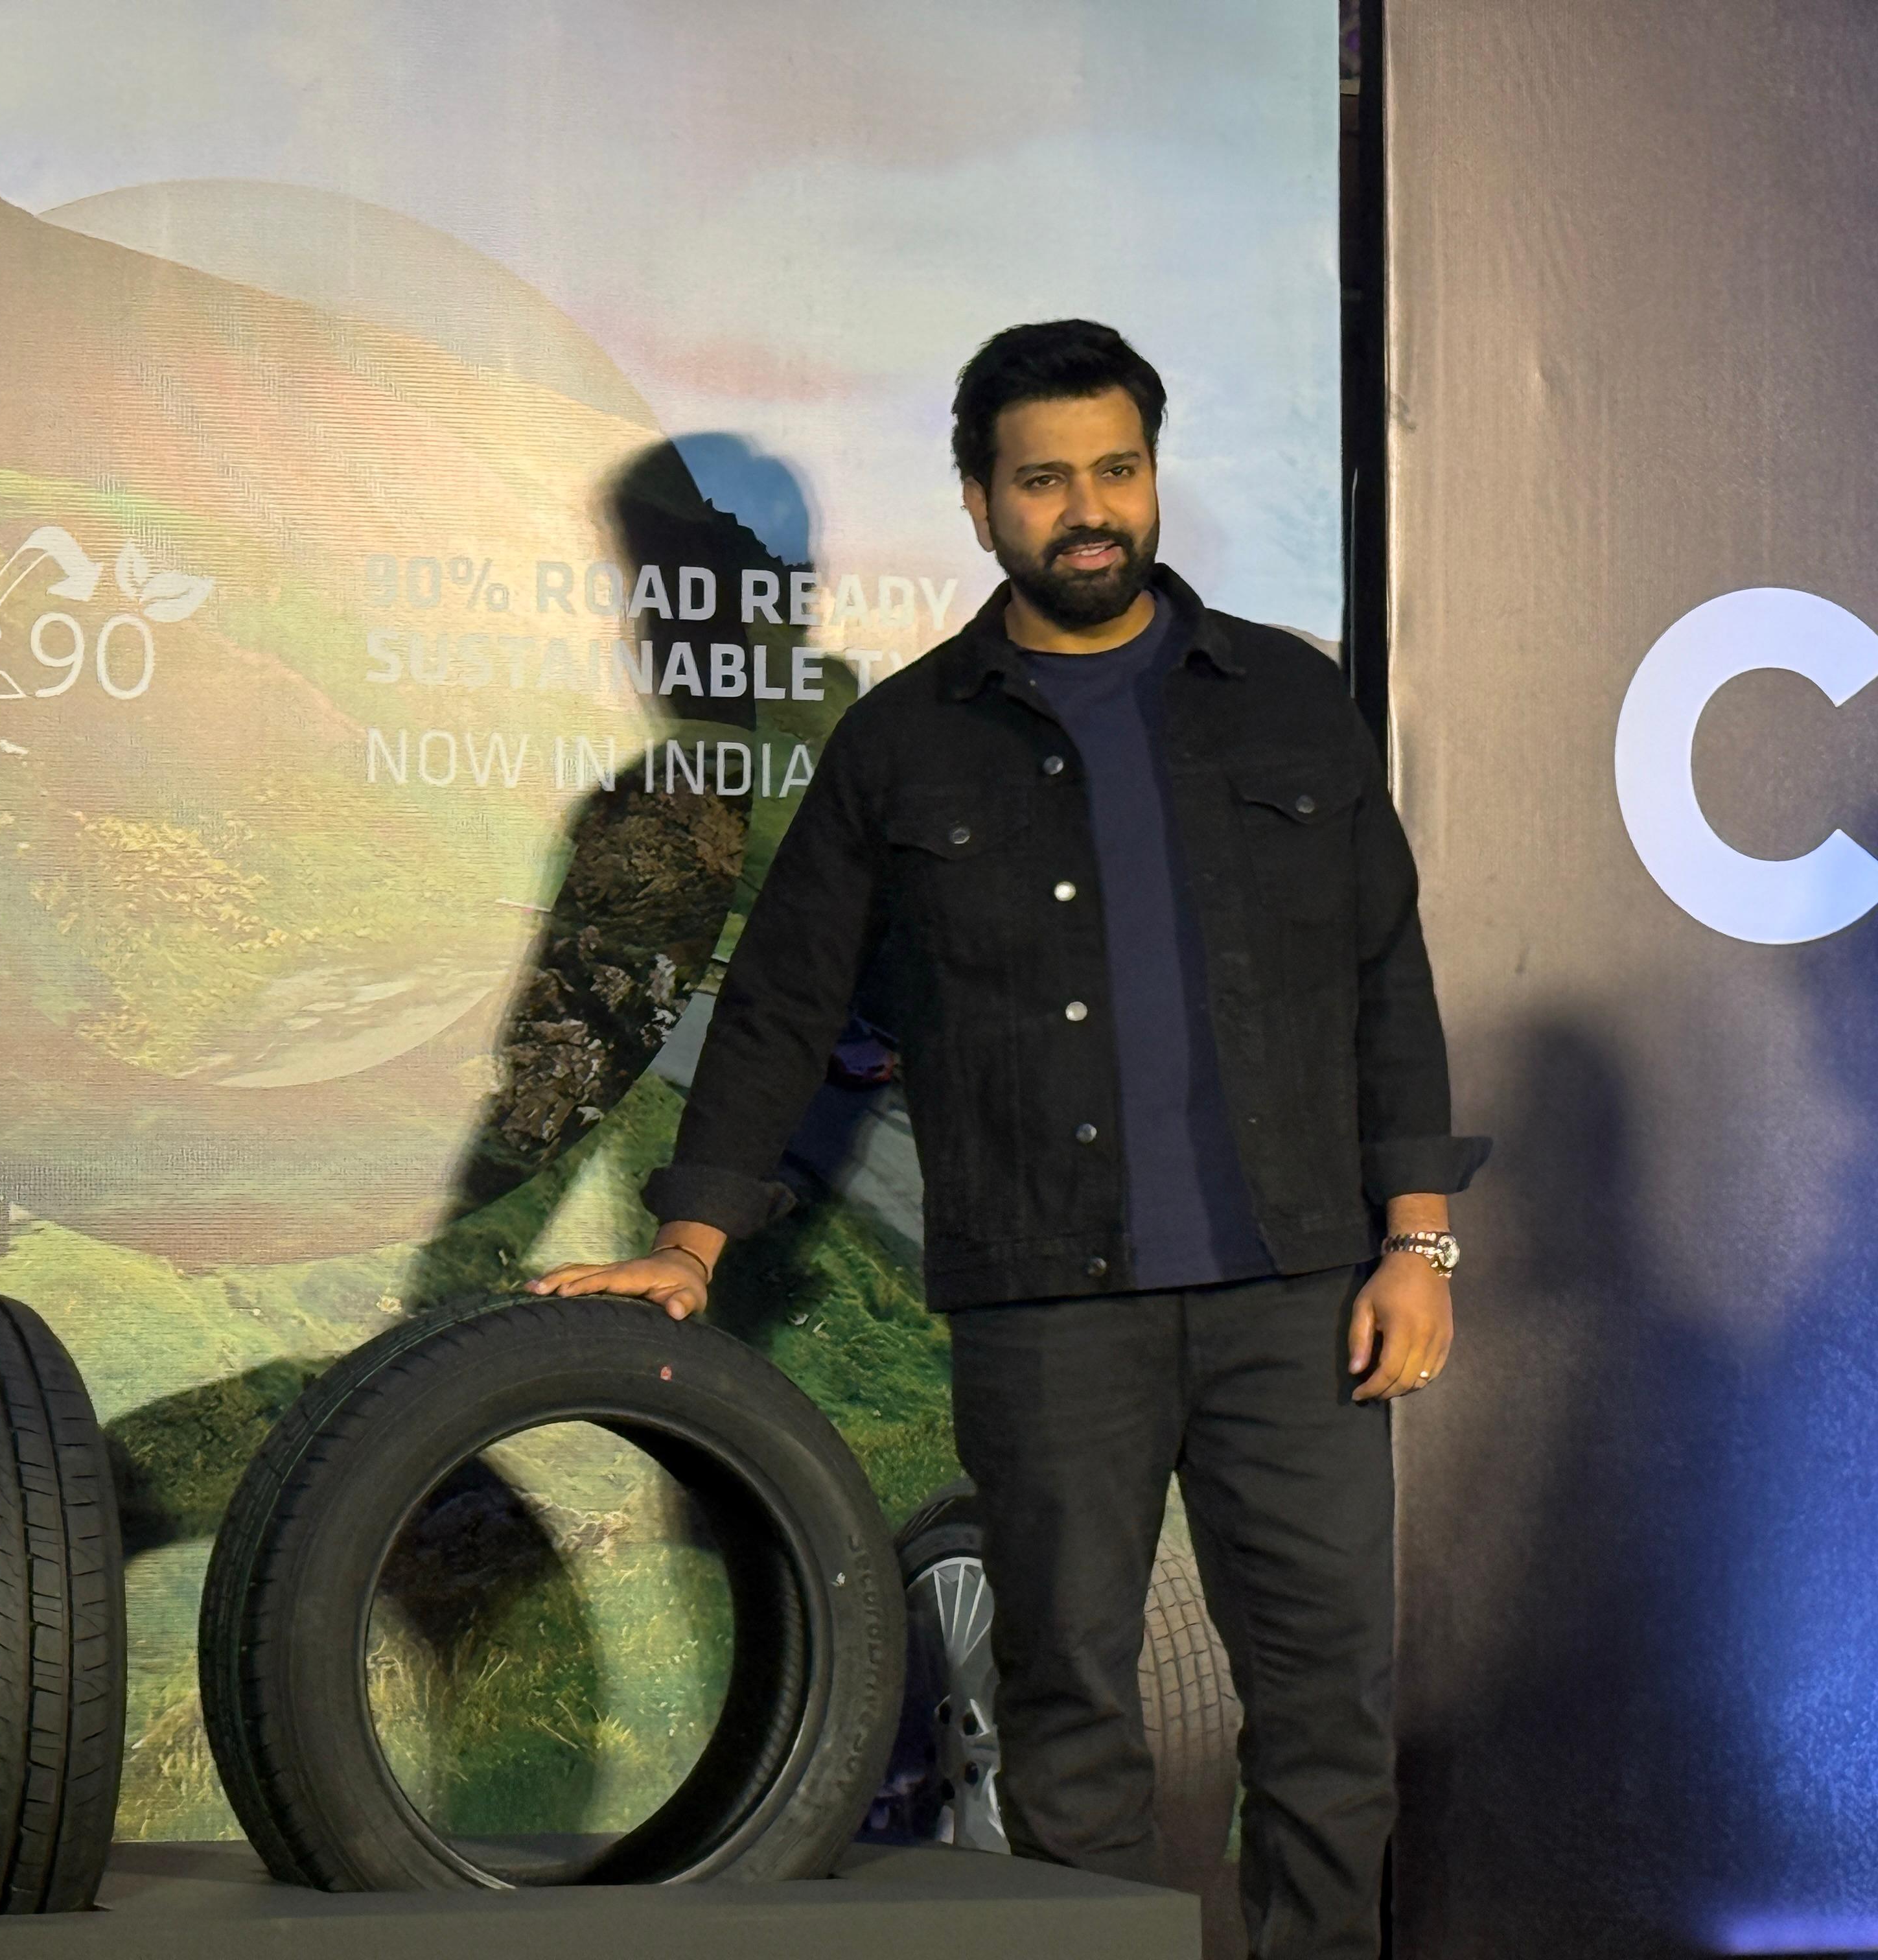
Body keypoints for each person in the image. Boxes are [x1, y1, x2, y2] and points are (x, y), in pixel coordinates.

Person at [529, 318, 1486, 1960]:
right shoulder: (903, 745)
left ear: (1154, 477)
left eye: (1118, 470)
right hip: (1050, 1311)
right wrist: (691, 1241)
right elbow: (780, 1004)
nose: (1089, 510)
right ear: (979, 505)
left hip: (1298, 1295)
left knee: (1328, 1710)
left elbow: (1384, 973)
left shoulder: (1289, 698)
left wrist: (1419, 1239)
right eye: (1045, 481)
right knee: (1071, 1716)